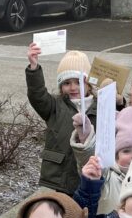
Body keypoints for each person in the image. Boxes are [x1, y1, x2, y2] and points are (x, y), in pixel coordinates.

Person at [26, 44, 98, 195]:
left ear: (89, 84)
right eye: (67, 83)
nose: (73, 87)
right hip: (59, 177)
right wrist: (34, 67)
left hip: (90, 174)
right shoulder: (54, 106)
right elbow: (37, 95)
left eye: (78, 82)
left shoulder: (99, 106)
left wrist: (118, 101)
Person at [69, 104, 132, 215]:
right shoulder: (107, 176)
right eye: (126, 151)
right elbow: (93, 162)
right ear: (116, 156)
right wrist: (85, 137)